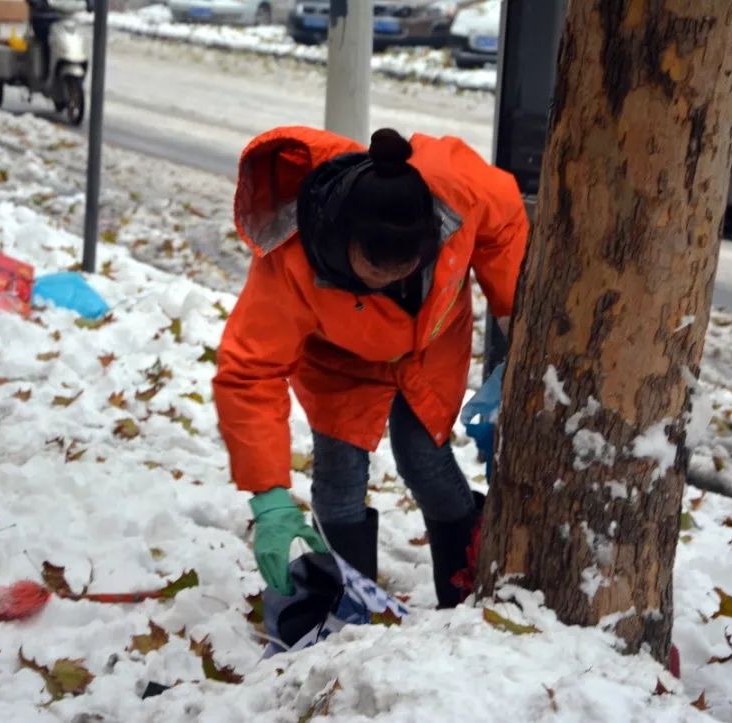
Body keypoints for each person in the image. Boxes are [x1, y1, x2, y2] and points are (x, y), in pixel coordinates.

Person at [213, 126, 528, 608]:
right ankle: (348, 603)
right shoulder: (292, 261)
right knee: (340, 479)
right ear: (345, 239)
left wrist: (512, 312)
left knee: (423, 455)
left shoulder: (454, 190)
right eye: (376, 271)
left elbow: (503, 220)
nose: (389, 280)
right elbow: (249, 370)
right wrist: (269, 496)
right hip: (340, 359)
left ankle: (464, 584)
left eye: (404, 268)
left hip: (430, 341)